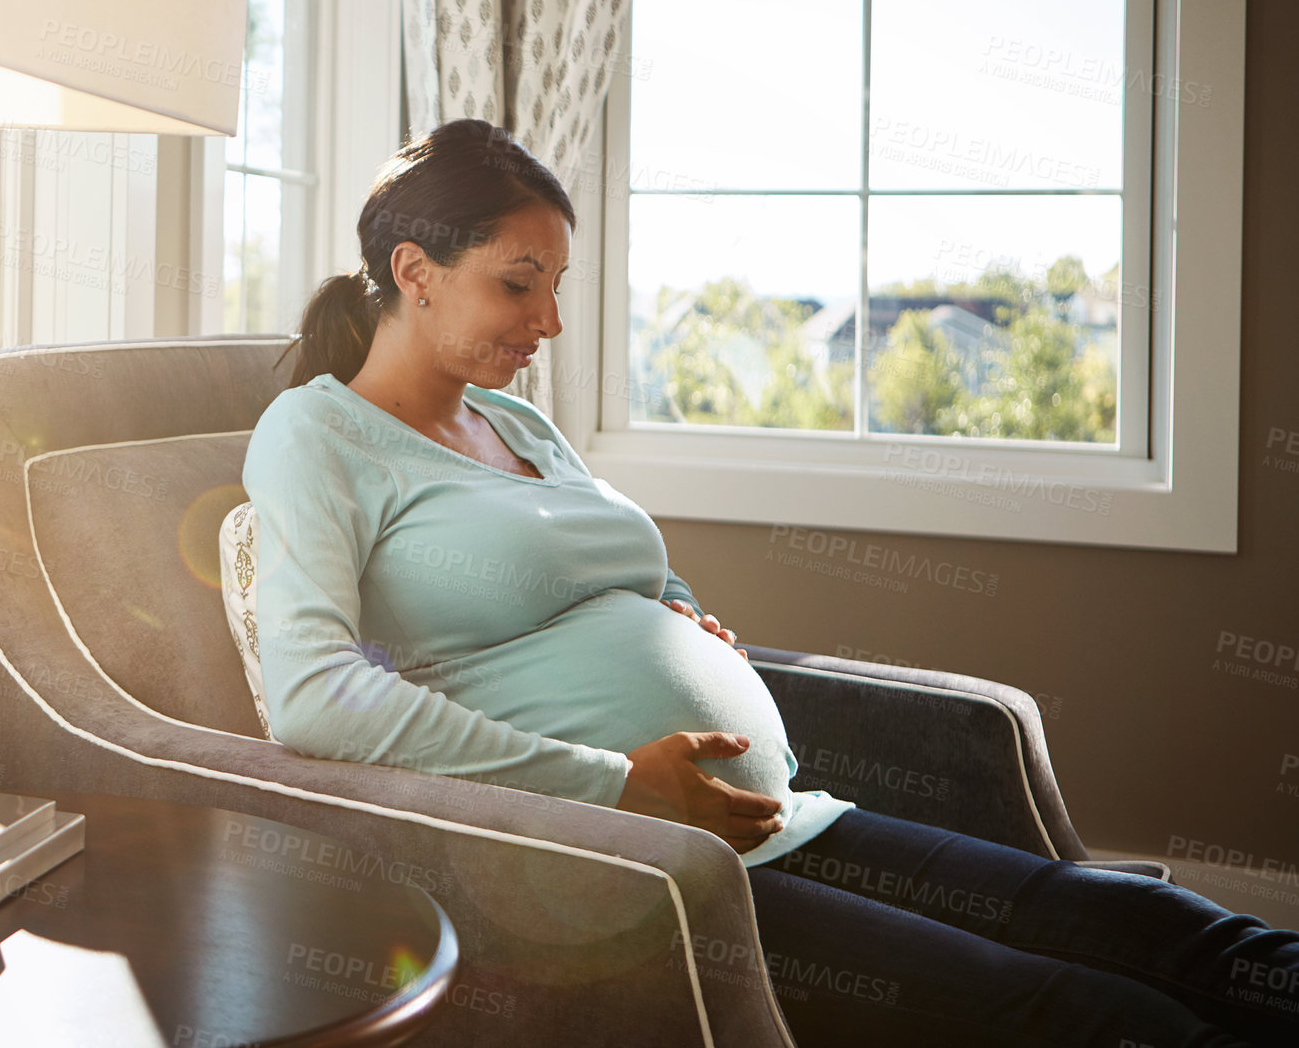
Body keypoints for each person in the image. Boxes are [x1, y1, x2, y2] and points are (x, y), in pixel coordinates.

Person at [240, 119, 1299, 1047]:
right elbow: (316, 695)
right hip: (631, 867)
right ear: (417, 270)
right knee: (1104, 1017)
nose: (550, 322)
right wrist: (616, 781)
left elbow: (624, 564)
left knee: (1161, 929)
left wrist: (676, 617)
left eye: (558, 285)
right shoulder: (319, 436)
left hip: (777, 817)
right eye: (520, 283)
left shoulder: (514, 420)